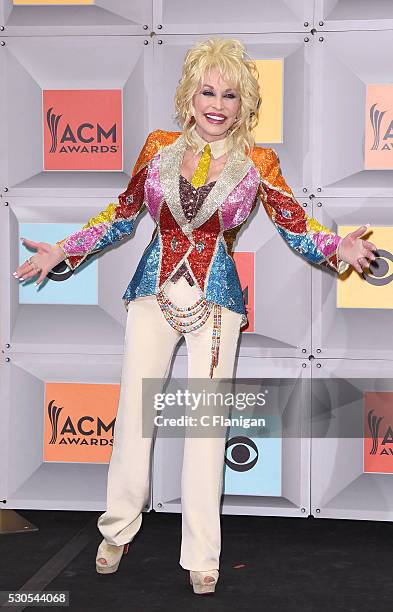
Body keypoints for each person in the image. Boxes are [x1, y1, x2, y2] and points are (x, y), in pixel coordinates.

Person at [13, 38, 376, 595]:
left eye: (230, 94)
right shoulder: (157, 149)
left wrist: (337, 250)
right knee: (134, 416)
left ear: (245, 103)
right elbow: (120, 216)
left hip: (215, 304)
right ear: (189, 95)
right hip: (151, 295)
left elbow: (297, 226)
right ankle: (117, 528)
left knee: (204, 430)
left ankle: (201, 552)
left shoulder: (259, 162)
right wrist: (62, 250)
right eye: (208, 90)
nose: (218, 103)